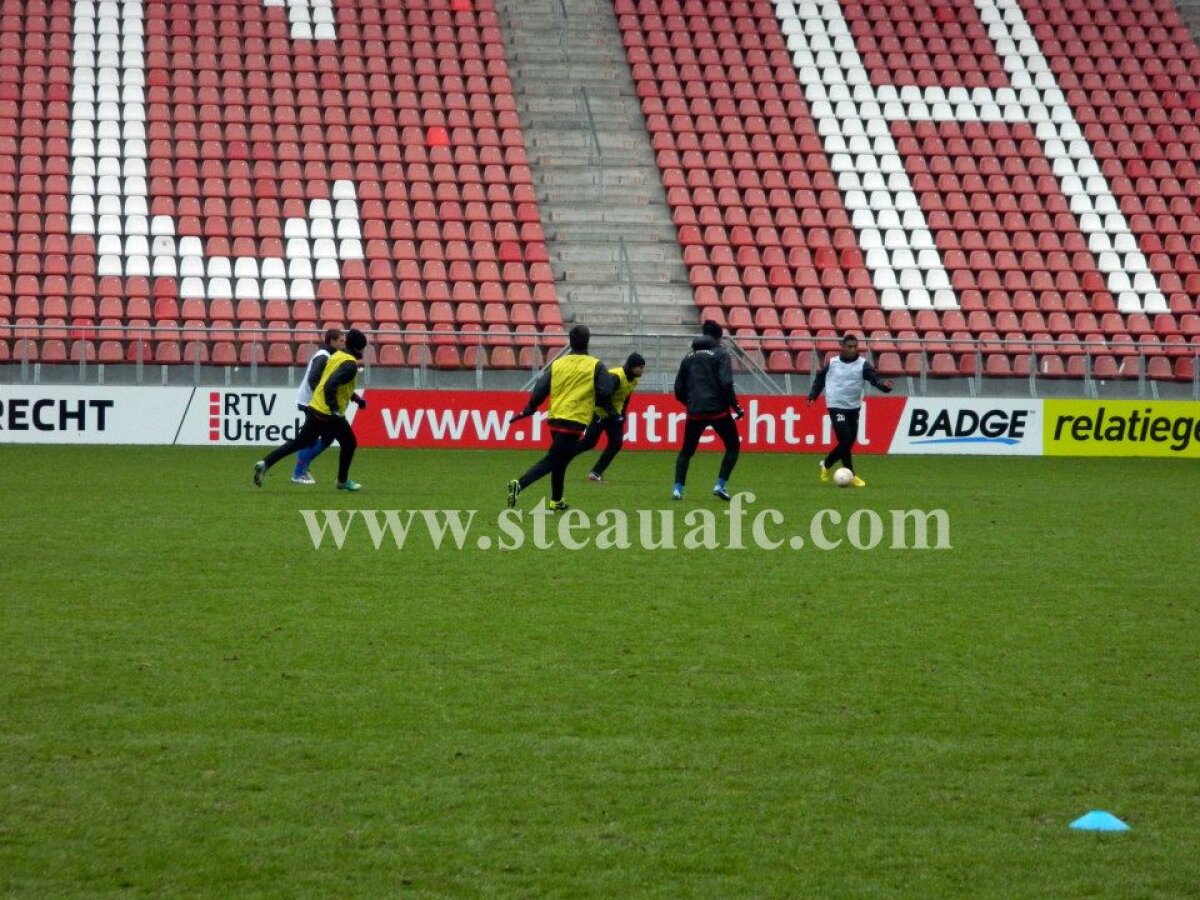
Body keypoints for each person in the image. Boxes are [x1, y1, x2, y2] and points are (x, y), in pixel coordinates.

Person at [506, 325, 616, 512]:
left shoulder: (558, 363)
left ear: (570, 342)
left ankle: (556, 500)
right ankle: (520, 484)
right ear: (587, 342)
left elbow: (541, 387)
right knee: (554, 459)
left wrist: (531, 407)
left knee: (561, 458)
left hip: (555, 417)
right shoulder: (595, 365)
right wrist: (598, 401)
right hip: (574, 420)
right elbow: (606, 390)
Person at [254, 328, 369, 492]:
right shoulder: (349, 365)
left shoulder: (336, 356)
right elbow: (331, 385)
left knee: (300, 442)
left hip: (316, 407)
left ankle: (265, 463)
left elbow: (333, 383)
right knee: (349, 443)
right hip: (329, 412)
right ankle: (341, 480)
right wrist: (335, 408)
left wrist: (356, 399)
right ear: (359, 348)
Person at [806, 333, 894, 487]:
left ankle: (825, 464)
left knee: (848, 443)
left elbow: (874, 379)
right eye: (849, 346)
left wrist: (883, 386)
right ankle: (851, 474)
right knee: (845, 440)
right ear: (842, 347)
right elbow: (820, 379)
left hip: (853, 407)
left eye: (855, 347)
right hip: (836, 405)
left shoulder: (862, 364)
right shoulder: (832, 363)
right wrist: (813, 394)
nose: (852, 349)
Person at [672, 320, 744, 501]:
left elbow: (678, 387)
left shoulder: (689, 357)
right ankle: (720, 485)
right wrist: (735, 407)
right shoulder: (721, 354)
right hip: (718, 411)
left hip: (695, 412)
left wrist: (689, 404)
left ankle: (677, 489)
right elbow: (726, 383)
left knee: (686, 451)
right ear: (718, 337)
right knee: (733, 446)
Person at [572, 351, 645, 482]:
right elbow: (601, 397)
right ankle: (561, 457)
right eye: (640, 367)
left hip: (612, 414)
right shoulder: (615, 377)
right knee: (590, 443)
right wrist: (615, 415)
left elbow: (625, 397)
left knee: (615, 442)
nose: (642, 371)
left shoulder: (633, 380)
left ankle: (595, 472)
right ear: (632, 367)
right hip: (601, 412)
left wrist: (622, 414)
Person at [290, 328, 346, 485]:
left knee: (326, 438)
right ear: (332, 341)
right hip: (311, 403)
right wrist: (322, 398)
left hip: (314, 402)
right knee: (314, 439)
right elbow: (313, 379)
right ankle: (298, 472)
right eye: (341, 341)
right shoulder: (323, 356)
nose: (343, 344)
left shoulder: (329, 355)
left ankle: (303, 466)